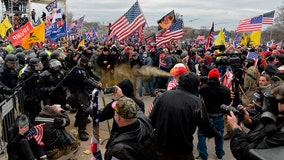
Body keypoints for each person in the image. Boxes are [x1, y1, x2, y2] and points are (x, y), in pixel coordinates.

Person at [149, 72, 221, 160]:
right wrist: (216, 134)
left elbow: (151, 121)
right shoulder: (196, 102)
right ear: (194, 85)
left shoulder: (164, 95)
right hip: (182, 150)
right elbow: (206, 126)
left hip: (160, 148)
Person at [228, 83, 284, 160]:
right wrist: (248, 121)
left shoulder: (281, 134)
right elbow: (261, 128)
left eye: (271, 100)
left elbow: (245, 153)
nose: (267, 104)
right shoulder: (274, 116)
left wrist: (236, 129)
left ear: (282, 105)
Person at [196, 68, 231, 160]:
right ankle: (220, 153)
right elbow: (227, 103)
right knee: (219, 135)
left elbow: (199, 97)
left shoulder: (204, 88)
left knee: (202, 134)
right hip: (219, 115)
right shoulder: (225, 90)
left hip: (206, 115)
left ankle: (203, 155)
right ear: (218, 78)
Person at [67, 56, 102, 141]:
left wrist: (97, 82)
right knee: (84, 109)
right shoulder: (79, 70)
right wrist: (96, 85)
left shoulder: (81, 69)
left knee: (82, 107)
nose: (87, 64)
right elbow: (85, 80)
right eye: (85, 62)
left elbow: (89, 78)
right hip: (77, 92)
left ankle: (77, 122)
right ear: (82, 62)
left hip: (80, 91)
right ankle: (81, 131)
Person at [18, 57, 44, 124]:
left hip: (36, 95)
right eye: (37, 65)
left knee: (38, 110)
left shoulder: (35, 71)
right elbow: (20, 83)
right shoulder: (27, 72)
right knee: (32, 113)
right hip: (30, 96)